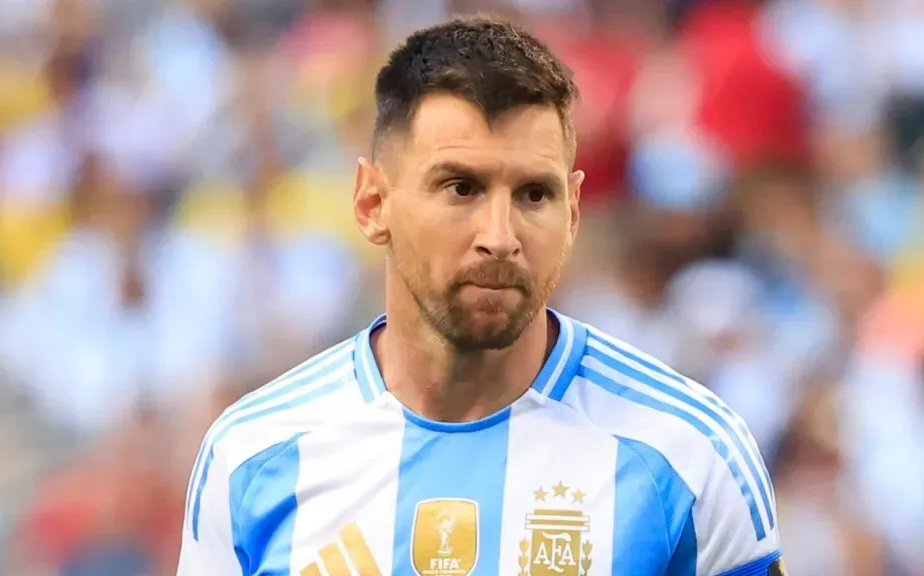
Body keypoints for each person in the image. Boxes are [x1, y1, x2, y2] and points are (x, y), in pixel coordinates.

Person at [177, 16, 784, 576]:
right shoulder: (253, 458)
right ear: (372, 204)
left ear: (574, 213)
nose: (500, 238)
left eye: (534, 195)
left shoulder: (689, 455)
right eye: (461, 187)